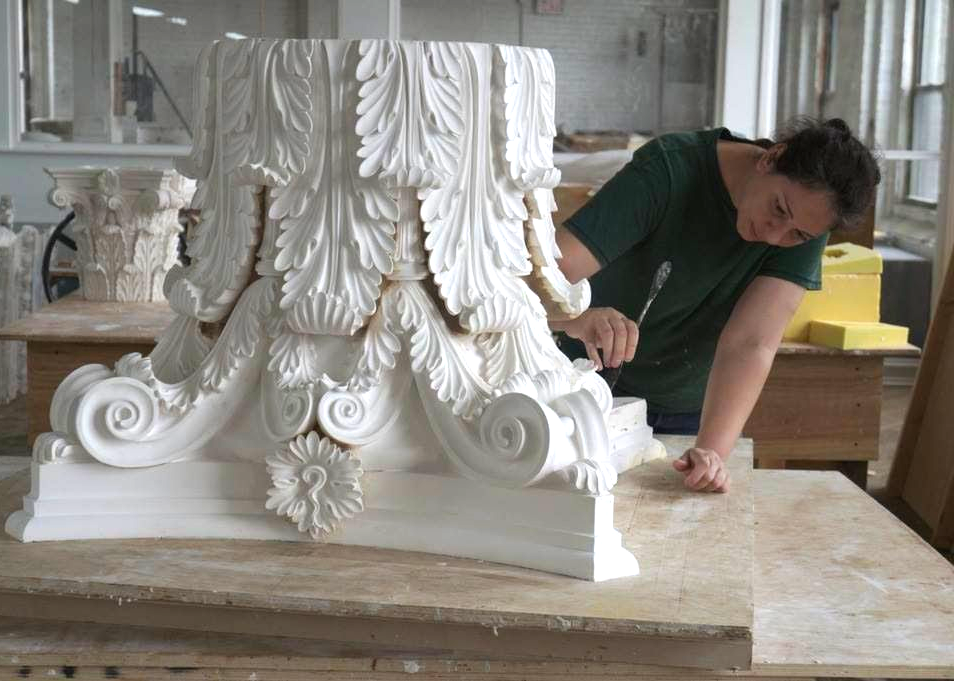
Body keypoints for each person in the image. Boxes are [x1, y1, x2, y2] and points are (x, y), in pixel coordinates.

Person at [550, 117, 881, 494]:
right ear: (772, 157)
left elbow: (752, 342)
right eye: (779, 209)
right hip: (579, 389)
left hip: (684, 407)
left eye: (798, 234)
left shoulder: (806, 221)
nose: (774, 235)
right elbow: (544, 283)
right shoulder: (670, 169)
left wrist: (711, 452)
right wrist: (575, 317)